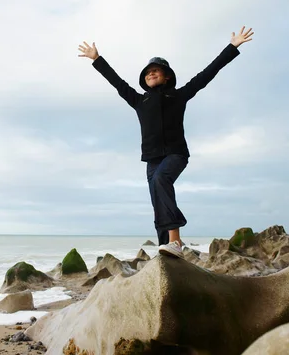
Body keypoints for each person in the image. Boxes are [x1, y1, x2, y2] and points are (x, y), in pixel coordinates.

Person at [77, 27, 254, 258]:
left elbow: (208, 73)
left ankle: (176, 241)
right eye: (148, 72)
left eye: (156, 71)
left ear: (166, 76)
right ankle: (165, 253)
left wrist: (233, 46)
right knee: (157, 202)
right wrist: (97, 59)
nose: (151, 74)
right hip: (152, 159)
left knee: (162, 180)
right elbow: (117, 82)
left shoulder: (178, 96)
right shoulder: (139, 100)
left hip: (175, 154)